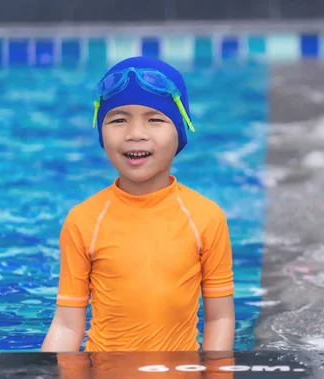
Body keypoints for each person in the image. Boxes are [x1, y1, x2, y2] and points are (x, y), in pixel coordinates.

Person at [41, 56, 235, 352]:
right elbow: (67, 323)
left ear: (180, 132)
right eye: (118, 119)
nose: (135, 134)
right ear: (101, 134)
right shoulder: (84, 220)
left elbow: (219, 318)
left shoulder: (205, 218)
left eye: (155, 119)